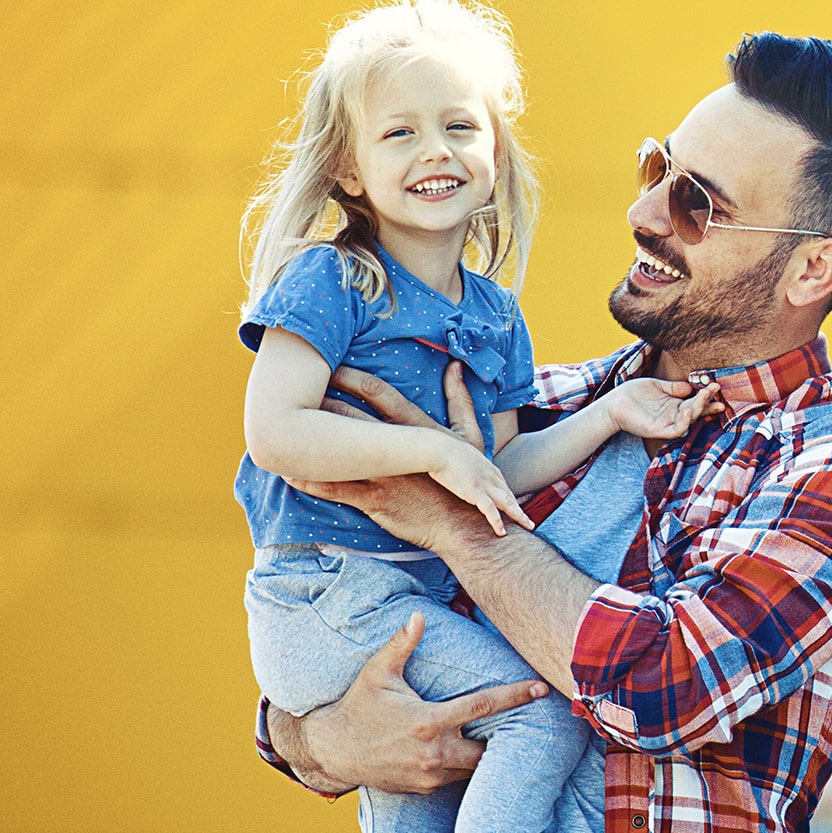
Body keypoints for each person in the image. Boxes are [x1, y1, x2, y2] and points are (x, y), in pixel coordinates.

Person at [256, 31, 832, 833]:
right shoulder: (543, 403)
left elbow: (667, 686)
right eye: (657, 167)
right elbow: (335, 605)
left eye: (697, 204)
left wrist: (457, 525)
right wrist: (317, 735)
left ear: (812, 270)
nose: (643, 213)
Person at [235, 3, 712, 830]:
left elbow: (498, 475)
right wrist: (428, 453)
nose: (435, 151)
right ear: (347, 170)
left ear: (494, 152)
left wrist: (611, 415)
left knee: (430, 782)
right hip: (322, 589)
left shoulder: (493, 314)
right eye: (399, 134)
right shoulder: (334, 279)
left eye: (460, 125)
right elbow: (274, 433)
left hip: (402, 596)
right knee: (539, 718)